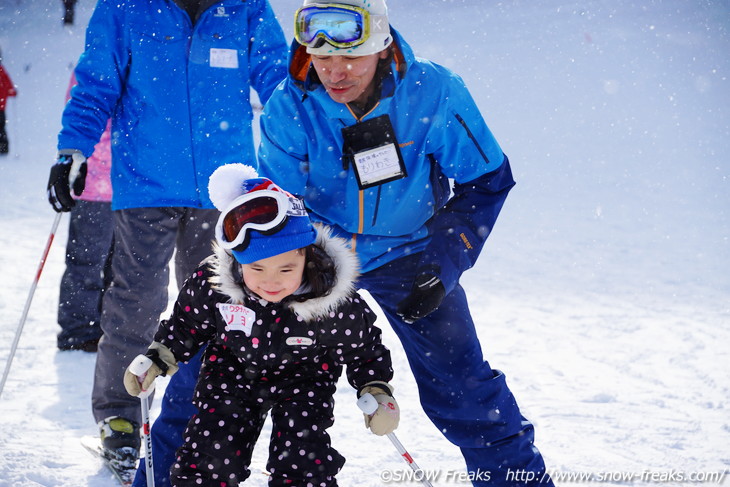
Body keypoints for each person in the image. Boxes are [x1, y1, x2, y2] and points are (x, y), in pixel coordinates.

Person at [145, 1, 555, 486]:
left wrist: (445, 260)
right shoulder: (289, 107)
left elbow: (486, 180)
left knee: (464, 390)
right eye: (321, 58)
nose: (335, 72)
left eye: (351, 58)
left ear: (381, 47)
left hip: (412, 253)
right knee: (208, 370)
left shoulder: (435, 93)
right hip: (314, 251)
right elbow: (281, 211)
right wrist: (270, 277)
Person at [45, 0, 288, 469]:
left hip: (225, 186)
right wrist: (73, 149)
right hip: (145, 180)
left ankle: (205, 410)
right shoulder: (124, 7)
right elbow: (96, 84)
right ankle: (120, 416)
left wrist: (307, 142)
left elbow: (279, 81)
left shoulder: (245, 7)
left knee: (221, 305)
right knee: (137, 299)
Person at [124, 164, 399, 487]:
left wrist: (376, 390)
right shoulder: (217, 285)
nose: (270, 283)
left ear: (306, 257)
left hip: (305, 376)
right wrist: (159, 357)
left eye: (286, 270)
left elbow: (364, 349)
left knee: (302, 457)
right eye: (257, 268)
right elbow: (187, 323)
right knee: (212, 453)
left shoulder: (328, 299)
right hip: (232, 370)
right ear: (239, 262)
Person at [57, 72, 114, 352]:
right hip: (94, 186)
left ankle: (109, 326)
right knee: (86, 261)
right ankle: (78, 330)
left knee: (123, 265)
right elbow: (78, 114)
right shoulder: (95, 69)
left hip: (133, 189)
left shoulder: (142, 61)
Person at [0, 54, 17, 155]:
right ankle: (3, 148)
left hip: (1, 107)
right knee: (1, 128)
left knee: (1, 127)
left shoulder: (2, 72)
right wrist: (12, 92)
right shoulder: (2, 72)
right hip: (1, 108)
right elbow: (10, 89)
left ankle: (3, 148)